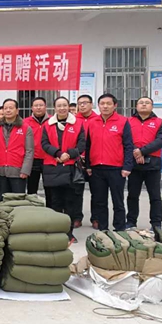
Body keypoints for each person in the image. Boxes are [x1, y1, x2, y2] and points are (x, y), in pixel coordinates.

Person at [85, 94, 134, 232]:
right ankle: (103, 229)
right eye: (102, 104)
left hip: (116, 168)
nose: (105, 106)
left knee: (118, 201)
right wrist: (88, 165)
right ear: (98, 106)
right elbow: (88, 146)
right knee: (100, 201)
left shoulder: (123, 121)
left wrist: (127, 166)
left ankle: (119, 229)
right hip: (96, 168)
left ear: (115, 105)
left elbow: (128, 146)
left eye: (108, 103)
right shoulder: (92, 122)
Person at [42, 97, 86, 245]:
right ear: (54, 108)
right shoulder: (47, 124)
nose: (62, 108)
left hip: (71, 167)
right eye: (59, 105)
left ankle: (69, 233)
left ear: (69, 107)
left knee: (70, 202)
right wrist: (58, 154)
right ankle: (56, 233)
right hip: (53, 167)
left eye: (64, 105)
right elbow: (44, 143)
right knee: (55, 202)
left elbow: (82, 144)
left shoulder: (78, 124)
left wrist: (69, 154)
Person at [127, 97, 162, 230]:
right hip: (134, 164)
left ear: (152, 106)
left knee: (155, 196)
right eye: (141, 103)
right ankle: (131, 222)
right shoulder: (128, 121)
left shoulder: (159, 122)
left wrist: (142, 151)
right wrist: (136, 152)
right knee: (132, 195)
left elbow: (160, 140)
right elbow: (125, 139)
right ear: (136, 106)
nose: (144, 105)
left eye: (147, 103)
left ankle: (156, 223)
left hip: (153, 165)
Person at [0, 99, 34, 201]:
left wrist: (25, 170)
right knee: (1, 201)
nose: (8, 110)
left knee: (17, 201)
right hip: (0, 171)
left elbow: (29, 151)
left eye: (11, 108)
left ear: (17, 110)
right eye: (5, 108)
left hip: (18, 171)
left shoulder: (25, 128)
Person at [75, 94, 101, 229]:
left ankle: (96, 218)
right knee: (76, 192)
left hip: (94, 161)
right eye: (80, 103)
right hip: (77, 161)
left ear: (92, 104)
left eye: (85, 102)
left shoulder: (98, 120)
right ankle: (76, 217)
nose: (82, 105)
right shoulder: (73, 120)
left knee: (97, 192)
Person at [24, 97, 50, 203]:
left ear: (45, 107)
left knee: (49, 187)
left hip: (48, 159)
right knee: (31, 188)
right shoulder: (26, 122)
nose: (38, 108)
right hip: (32, 159)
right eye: (36, 105)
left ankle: (50, 208)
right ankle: (32, 208)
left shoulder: (52, 121)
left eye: (41, 105)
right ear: (32, 108)